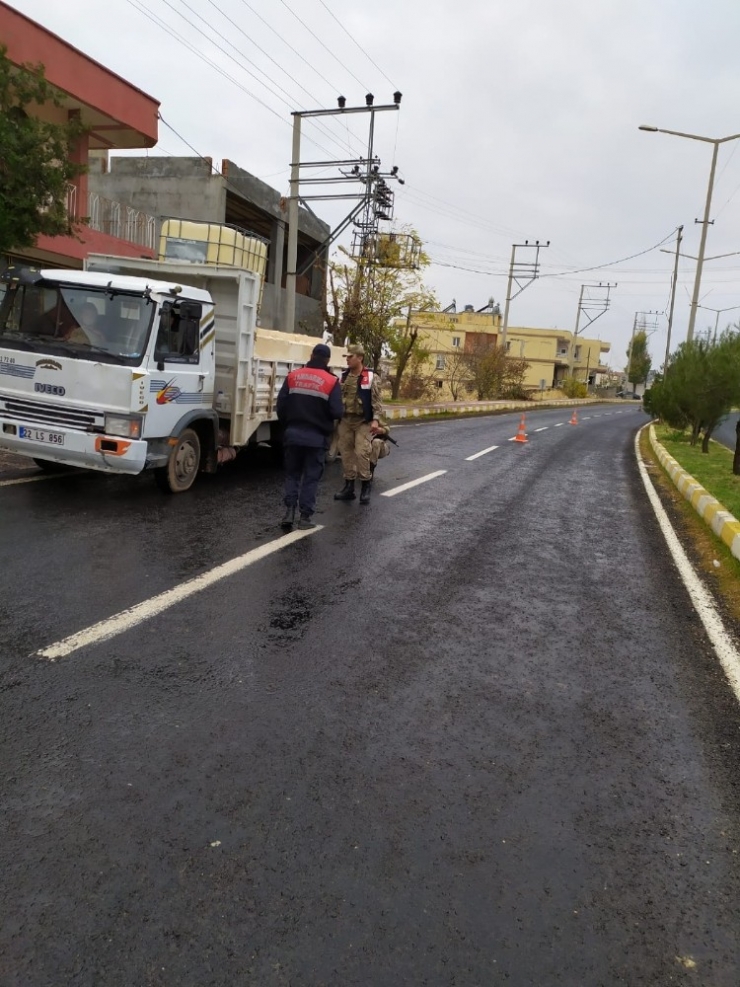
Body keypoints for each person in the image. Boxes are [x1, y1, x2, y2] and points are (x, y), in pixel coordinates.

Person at [276, 343, 344, 530]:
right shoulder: (331, 382)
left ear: (312, 355)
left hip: (293, 434)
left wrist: (288, 425)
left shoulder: (293, 376)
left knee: (292, 475)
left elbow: (280, 407)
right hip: (317, 438)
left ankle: (289, 513)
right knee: (311, 478)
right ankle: (305, 518)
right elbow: (337, 411)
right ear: (328, 360)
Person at [334, 342, 384, 505]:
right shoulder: (343, 376)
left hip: (363, 421)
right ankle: (349, 487)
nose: (347, 360)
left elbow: (377, 401)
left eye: (350, 357)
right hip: (346, 420)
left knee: (362, 452)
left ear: (360, 358)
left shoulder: (371, 377)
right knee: (346, 452)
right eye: (346, 357)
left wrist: (375, 420)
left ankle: (365, 485)